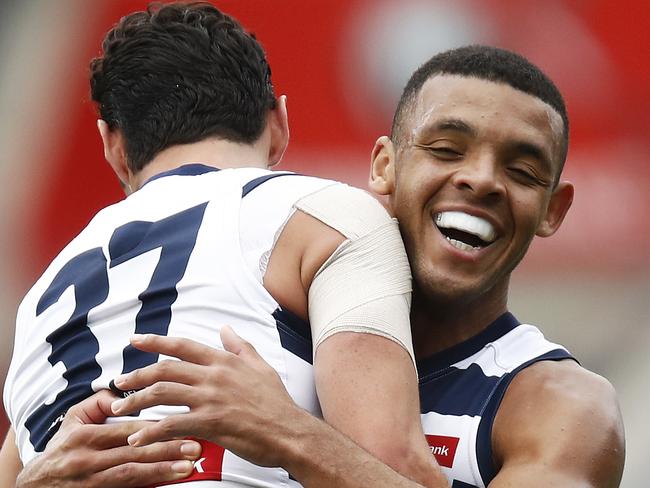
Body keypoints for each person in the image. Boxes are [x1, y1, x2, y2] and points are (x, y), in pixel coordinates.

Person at [35, 45, 626, 487]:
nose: (481, 180)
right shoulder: (253, 324)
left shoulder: (560, 405)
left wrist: (291, 436)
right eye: (446, 150)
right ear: (384, 168)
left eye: (522, 172)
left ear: (553, 209)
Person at [0, 3, 445, 487]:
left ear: (114, 146)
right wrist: (285, 433)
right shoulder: (322, 216)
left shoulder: (36, 306)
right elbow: (396, 469)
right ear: (279, 123)